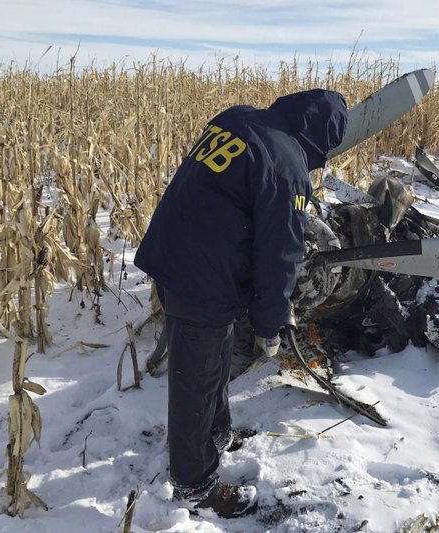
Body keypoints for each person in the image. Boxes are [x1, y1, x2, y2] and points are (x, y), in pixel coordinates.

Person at [134, 89, 348, 517]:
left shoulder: (238, 118)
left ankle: (216, 436)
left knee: (211, 361)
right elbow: (280, 256)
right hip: (202, 279)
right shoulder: (288, 167)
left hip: (174, 256)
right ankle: (196, 485)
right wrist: (270, 326)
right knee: (194, 383)